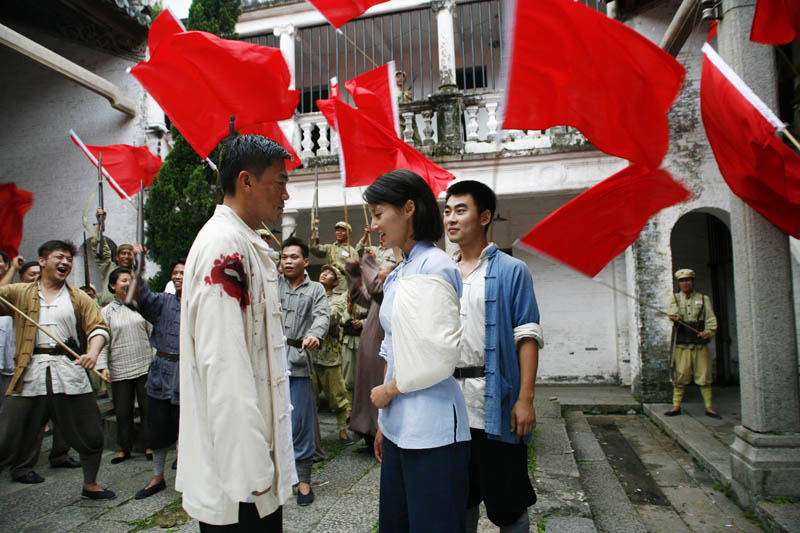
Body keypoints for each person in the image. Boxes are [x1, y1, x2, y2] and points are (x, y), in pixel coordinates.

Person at [179, 134, 297, 530]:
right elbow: (225, 368)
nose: (286, 194)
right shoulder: (223, 247)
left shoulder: (244, 241)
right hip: (241, 478)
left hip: (252, 463)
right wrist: (255, 473)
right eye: (279, 181)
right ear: (246, 181)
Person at [365, 169, 469, 532]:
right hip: (398, 423)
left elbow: (440, 357)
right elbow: (392, 347)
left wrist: (389, 391)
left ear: (408, 208)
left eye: (379, 214)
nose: (375, 224)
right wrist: (383, 421)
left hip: (433, 426)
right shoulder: (401, 271)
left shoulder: (435, 265)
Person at [444, 181, 543, 532]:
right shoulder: (443, 273)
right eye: (447, 211)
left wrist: (525, 399)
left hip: (496, 403)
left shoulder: (512, 270)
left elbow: (527, 336)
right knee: (460, 498)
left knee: (508, 503)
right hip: (450, 406)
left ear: (485, 216)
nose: (451, 218)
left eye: (461, 210)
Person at [0, 240, 114, 499]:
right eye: (59, 257)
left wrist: (92, 353)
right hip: (29, 373)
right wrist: (8, 270)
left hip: (69, 370)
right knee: (7, 435)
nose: (65, 263)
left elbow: (98, 328)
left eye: (69, 259)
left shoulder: (78, 297)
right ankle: (18, 467)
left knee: (91, 432)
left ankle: (90, 484)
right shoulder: (20, 292)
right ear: (42, 261)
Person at [279, 236, 330, 507]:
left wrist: (314, 335)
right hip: (271, 362)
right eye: (284, 257)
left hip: (298, 362)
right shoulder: (271, 284)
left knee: (300, 424)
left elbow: (323, 315)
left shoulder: (316, 289)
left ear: (306, 261)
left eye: (294, 257)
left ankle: (304, 481)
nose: (288, 261)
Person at [133, 256, 184, 499]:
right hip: (161, 372)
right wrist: (138, 265)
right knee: (157, 428)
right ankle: (158, 476)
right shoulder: (162, 301)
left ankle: (189, 478)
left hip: (188, 375)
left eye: (183, 272)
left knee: (187, 429)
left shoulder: (202, 304)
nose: (178, 276)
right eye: (175, 272)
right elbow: (141, 298)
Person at [96, 267, 153, 464]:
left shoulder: (142, 305)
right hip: (119, 367)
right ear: (113, 286)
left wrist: (155, 361)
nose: (128, 283)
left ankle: (149, 445)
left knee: (147, 408)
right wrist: (103, 367)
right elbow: (101, 341)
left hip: (145, 365)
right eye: (123, 280)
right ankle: (124, 448)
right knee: (123, 411)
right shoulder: (106, 312)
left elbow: (152, 334)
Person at [344, 254, 397, 452]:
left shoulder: (389, 290)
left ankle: (378, 431)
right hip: (367, 346)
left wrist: (366, 259)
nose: (376, 272)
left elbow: (374, 287)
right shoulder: (378, 296)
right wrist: (351, 270)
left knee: (378, 384)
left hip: (380, 348)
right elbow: (358, 296)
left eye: (380, 269)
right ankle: (365, 429)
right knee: (365, 386)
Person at [665, 269, 720, 419]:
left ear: (693, 281)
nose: (685, 283)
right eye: (682, 281)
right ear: (679, 283)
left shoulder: (703, 298)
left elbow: (710, 318)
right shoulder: (674, 299)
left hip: (699, 343)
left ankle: (709, 407)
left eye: (688, 280)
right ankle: (676, 406)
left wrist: (708, 332)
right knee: (680, 375)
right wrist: (674, 318)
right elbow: (672, 316)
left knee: (704, 375)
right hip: (681, 343)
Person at [314, 264, 353, 443]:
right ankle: (312, 433)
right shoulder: (310, 292)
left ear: (336, 282)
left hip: (330, 354)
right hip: (310, 354)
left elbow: (331, 318)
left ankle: (342, 430)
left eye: (330, 273)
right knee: (310, 397)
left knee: (338, 396)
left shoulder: (340, 298)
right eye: (324, 271)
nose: (325, 274)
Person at [90, 208, 135, 306]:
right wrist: (99, 223)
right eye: (123, 253)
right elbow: (98, 245)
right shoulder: (109, 268)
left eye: (129, 254)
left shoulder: (137, 274)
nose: (126, 256)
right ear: (117, 257)